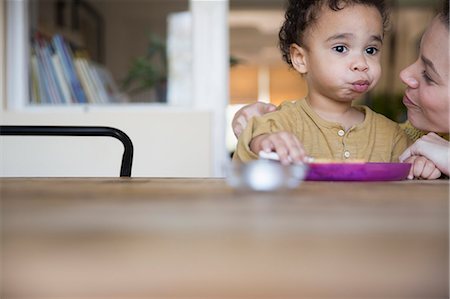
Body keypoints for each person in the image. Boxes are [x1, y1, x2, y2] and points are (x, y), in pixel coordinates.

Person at [232, 1, 449, 179]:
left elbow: (411, 182)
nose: (361, 63)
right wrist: (261, 143)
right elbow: (244, 170)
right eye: (341, 48)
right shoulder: (278, 124)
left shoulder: (393, 136)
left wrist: (423, 165)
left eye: (371, 50)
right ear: (300, 58)